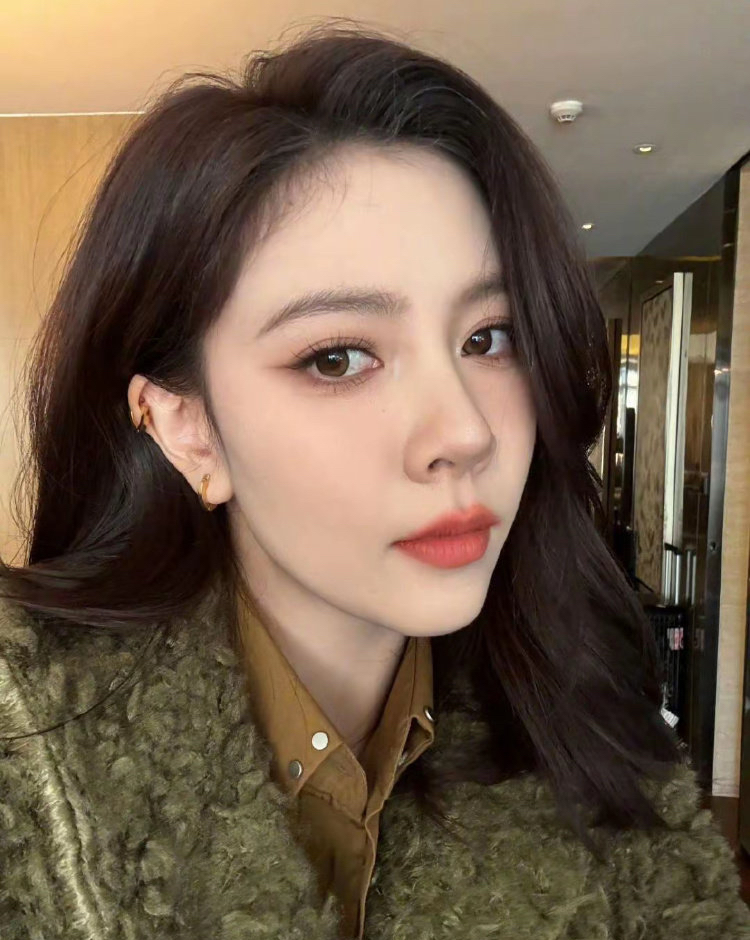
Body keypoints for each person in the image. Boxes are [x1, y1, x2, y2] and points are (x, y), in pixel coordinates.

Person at [1, 19, 748, 940]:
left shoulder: (587, 709)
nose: (466, 432)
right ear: (189, 430)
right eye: (338, 357)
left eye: (490, 337)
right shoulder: (28, 761)